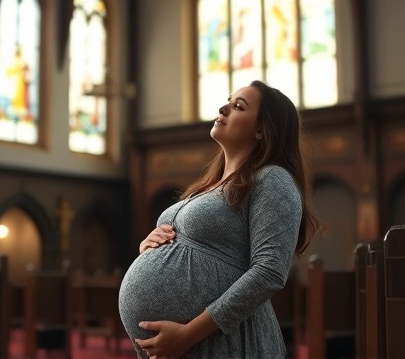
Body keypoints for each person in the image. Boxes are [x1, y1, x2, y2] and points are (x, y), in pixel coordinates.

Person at [118, 80, 320, 359]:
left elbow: (270, 273)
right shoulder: (208, 186)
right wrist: (149, 247)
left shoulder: (272, 179)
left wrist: (188, 335)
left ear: (263, 129)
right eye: (228, 100)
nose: (223, 108)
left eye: (238, 106)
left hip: (221, 341)